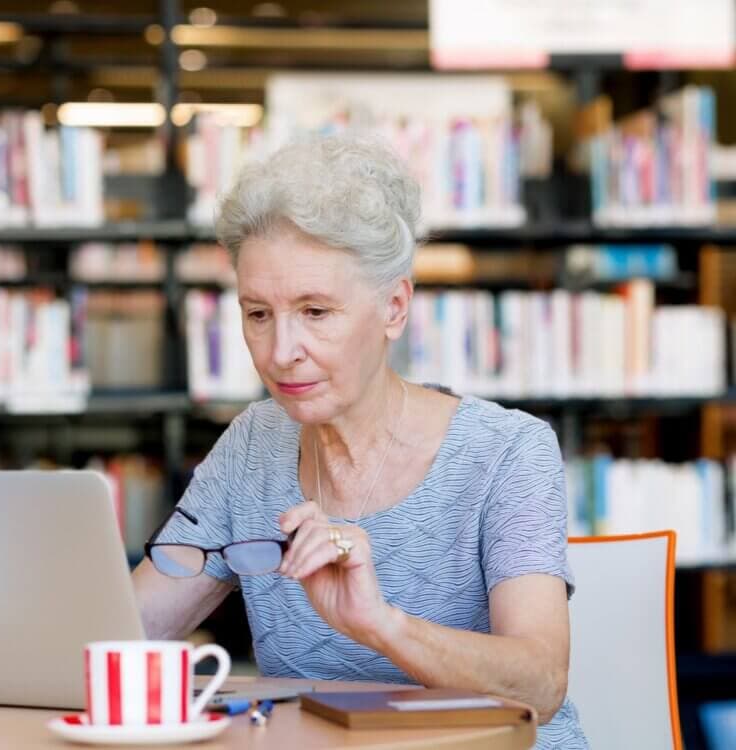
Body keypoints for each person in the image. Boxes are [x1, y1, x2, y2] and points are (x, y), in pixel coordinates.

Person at [132, 133, 587, 748]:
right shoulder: (251, 446)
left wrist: (382, 625)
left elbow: (540, 683)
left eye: (315, 312)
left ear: (394, 307)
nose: (280, 353)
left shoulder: (507, 451)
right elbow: (129, 631)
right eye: (257, 313)